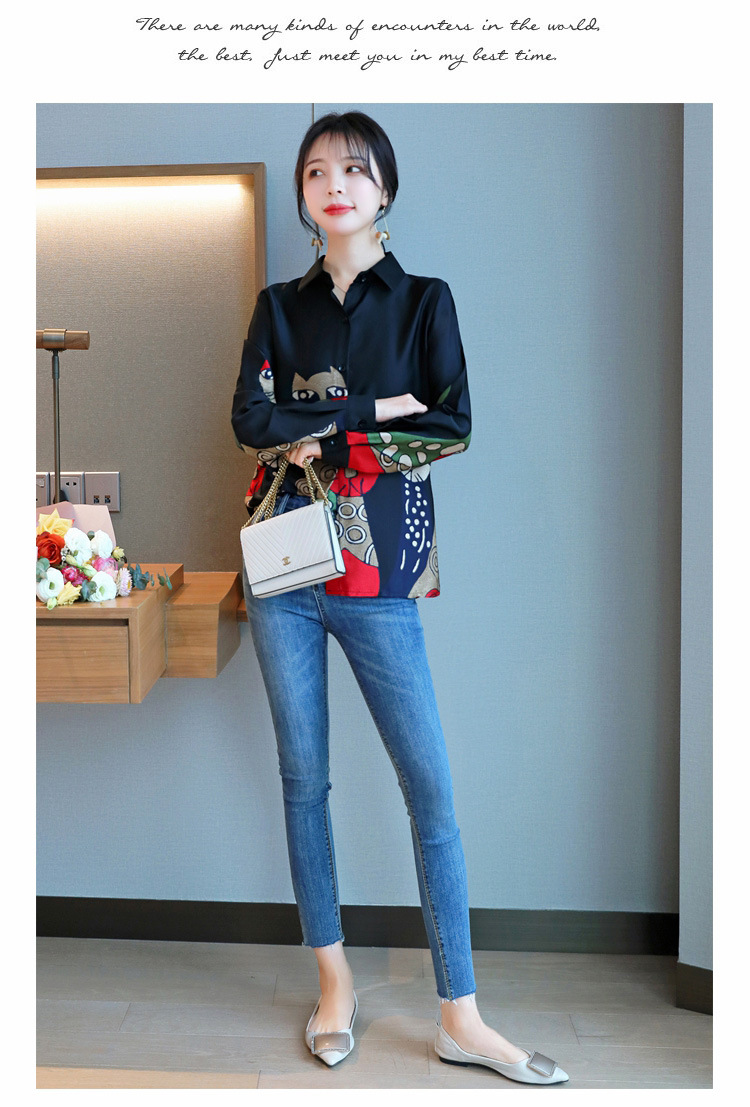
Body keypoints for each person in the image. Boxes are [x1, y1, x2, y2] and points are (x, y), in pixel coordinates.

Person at [231, 110, 569, 1085]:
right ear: (304, 196)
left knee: (431, 791)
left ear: (384, 188)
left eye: (353, 169)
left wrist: (320, 425)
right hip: (283, 571)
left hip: (379, 575)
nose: (333, 184)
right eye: (316, 172)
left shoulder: (425, 302)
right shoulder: (276, 307)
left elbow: (450, 425)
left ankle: (462, 1014)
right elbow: (250, 419)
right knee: (304, 780)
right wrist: (376, 408)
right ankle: (334, 984)